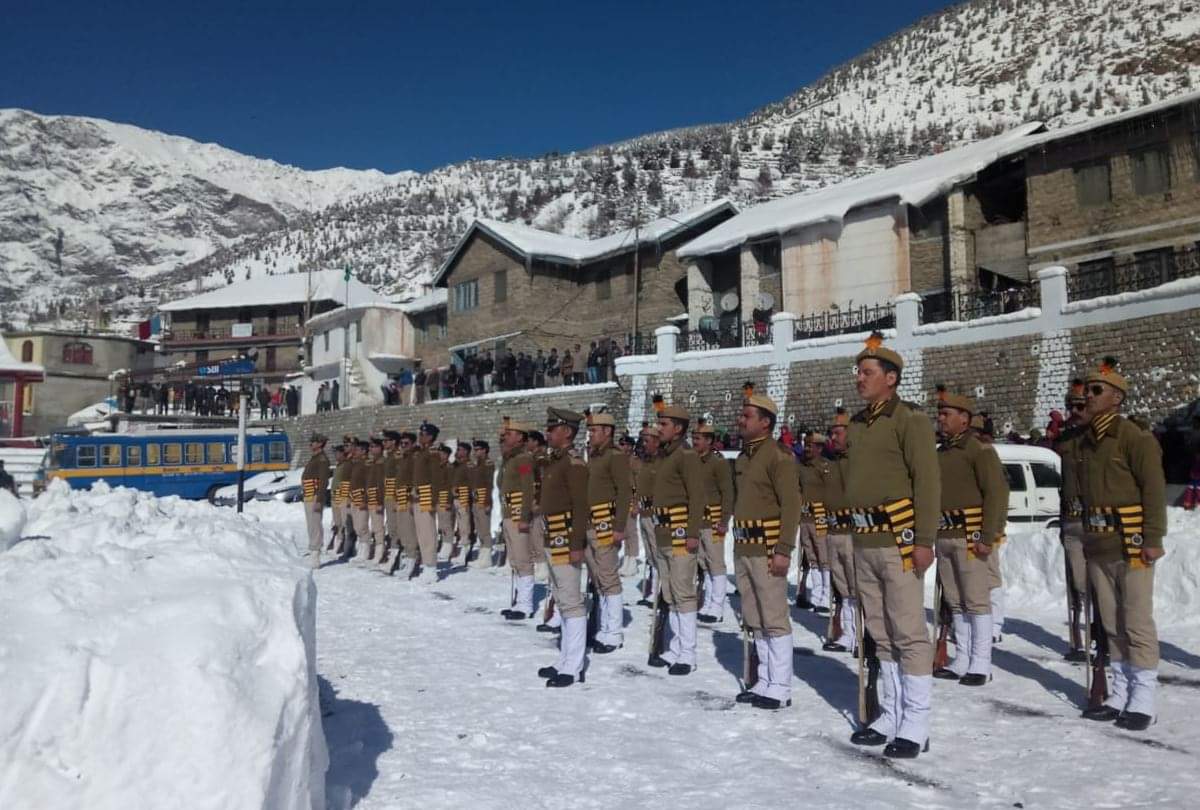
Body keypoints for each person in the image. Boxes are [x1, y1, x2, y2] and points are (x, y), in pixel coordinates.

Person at [844, 333, 939, 759]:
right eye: (859, 371)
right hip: (865, 539)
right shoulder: (859, 424)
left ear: (891, 378)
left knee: (908, 632)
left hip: (899, 541)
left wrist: (924, 540)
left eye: (867, 372)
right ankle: (891, 713)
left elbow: (927, 482)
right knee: (880, 633)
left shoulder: (910, 420)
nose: (859, 378)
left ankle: (916, 722)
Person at [1072, 358, 1167, 731]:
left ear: (1116, 397)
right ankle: (1121, 689)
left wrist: (1154, 537)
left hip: (1132, 542)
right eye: (1088, 390)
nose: (1089, 396)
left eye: (1097, 391)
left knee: (1137, 621)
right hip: (1099, 544)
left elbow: (1153, 491)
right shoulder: (1086, 442)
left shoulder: (1134, 439)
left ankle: (1143, 696)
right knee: (1111, 623)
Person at [932, 390, 1008, 687]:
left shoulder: (978, 450)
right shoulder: (939, 452)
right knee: (955, 601)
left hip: (970, 535)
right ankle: (962, 658)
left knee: (976, 600)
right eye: (939, 414)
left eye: (946, 414)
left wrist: (989, 535)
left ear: (964, 419)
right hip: (944, 534)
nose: (940, 419)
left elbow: (996, 493)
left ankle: (981, 662)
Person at [731, 393, 801, 709]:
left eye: (747, 416)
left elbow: (791, 506)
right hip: (744, 546)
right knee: (754, 616)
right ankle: (764, 679)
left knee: (773, 616)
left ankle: (780, 685)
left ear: (765, 422)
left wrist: (784, 548)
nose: (741, 420)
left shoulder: (778, 456)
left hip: (767, 547)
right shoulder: (744, 457)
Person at [649, 403, 707, 676]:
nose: (659, 428)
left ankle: (688, 653)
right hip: (663, 532)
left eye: (664, 424)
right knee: (670, 593)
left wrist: (694, 532)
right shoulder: (665, 455)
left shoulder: (687, 456)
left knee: (683, 593)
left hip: (681, 532)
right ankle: (675, 647)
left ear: (678, 428)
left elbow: (697, 496)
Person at [535, 407, 591, 687]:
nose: (547, 433)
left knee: (571, 600)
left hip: (566, 537)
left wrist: (577, 542)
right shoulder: (554, 462)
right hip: (552, 535)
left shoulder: (573, 463)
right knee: (561, 596)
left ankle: (574, 664)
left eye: (552, 428)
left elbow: (581, 506)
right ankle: (564, 659)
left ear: (566, 432)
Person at [584, 410, 631, 653]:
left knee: (609, 578)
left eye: (594, 430)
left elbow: (624, 492)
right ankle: (602, 627)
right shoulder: (594, 456)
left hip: (606, 523)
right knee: (598, 578)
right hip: (590, 523)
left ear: (607, 431)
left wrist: (619, 526)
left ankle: (614, 631)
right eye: (590, 430)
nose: (590, 434)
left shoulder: (616, 457)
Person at [822, 409, 857, 653]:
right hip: (834, 529)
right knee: (842, 586)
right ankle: (847, 632)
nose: (833, 437)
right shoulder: (831, 463)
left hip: (853, 531)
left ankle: (859, 633)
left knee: (856, 586)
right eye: (831, 433)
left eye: (838, 433)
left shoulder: (858, 461)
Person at [693, 419, 734, 624]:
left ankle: (717, 606)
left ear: (709, 441)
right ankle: (708, 602)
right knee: (704, 563)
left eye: (698, 439)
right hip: (698, 521)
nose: (695, 442)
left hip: (714, 520)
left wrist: (724, 519)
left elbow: (728, 493)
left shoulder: (719, 463)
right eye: (694, 438)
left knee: (716, 563)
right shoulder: (693, 462)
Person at [498, 418, 537, 619]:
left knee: (523, 559)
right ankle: (517, 601)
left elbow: (527, 487)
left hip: (517, 513)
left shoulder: (523, 459)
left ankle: (525, 604)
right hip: (508, 512)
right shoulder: (510, 459)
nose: (506, 437)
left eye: (510, 434)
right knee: (514, 558)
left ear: (520, 437)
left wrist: (523, 516)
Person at [797, 432, 834, 613]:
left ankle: (827, 594)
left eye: (811, 445)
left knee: (823, 556)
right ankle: (816, 592)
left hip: (820, 515)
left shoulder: (826, 466)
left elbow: (831, 492)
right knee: (811, 556)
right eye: (806, 444)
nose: (807, 448)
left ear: (820, 447)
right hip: (805, 516)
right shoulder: (801, 467)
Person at [410, 422, 442, 583]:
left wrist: (431, 499)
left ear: (430, 437)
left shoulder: (433, 453)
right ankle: (426, 565)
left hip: (426, 497)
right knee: (422, 533)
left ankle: (431, 567)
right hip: (418, 496)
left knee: (428, 533)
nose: (420, 436)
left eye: (423, 434)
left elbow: (436, 478)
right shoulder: (421, 453)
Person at [634, 424, 663, 602]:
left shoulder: (661, 462)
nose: (644, 444)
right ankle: (652, 589)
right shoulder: (645, 462)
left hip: (655, 512)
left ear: (656, 442)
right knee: (650, 553)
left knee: (657, 551)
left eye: (647, 440)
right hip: (644, 511)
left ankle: (660, 590)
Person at [300, 434, 332, 569]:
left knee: (315, 523)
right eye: (311, 441)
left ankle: (316, 552)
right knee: (311, 524)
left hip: (314, 494)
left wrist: (319, 498)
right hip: (308, 494)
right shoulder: (315, 458)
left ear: (320, 444)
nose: (311, 444)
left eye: (314, 442)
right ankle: (313, 548)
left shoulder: (322, 460)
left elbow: (323, 480)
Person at [469, 440, 497, 569]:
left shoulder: (487, 464)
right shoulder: (477, 464)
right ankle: (482, 554)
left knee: (485, 529)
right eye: (475, 449)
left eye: (478, 449)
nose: (476, 452)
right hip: (475, 498)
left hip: (482, 498)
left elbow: (488, 484)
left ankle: (486, 557)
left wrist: (486, 501)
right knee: (479, 528)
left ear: (485, 450)